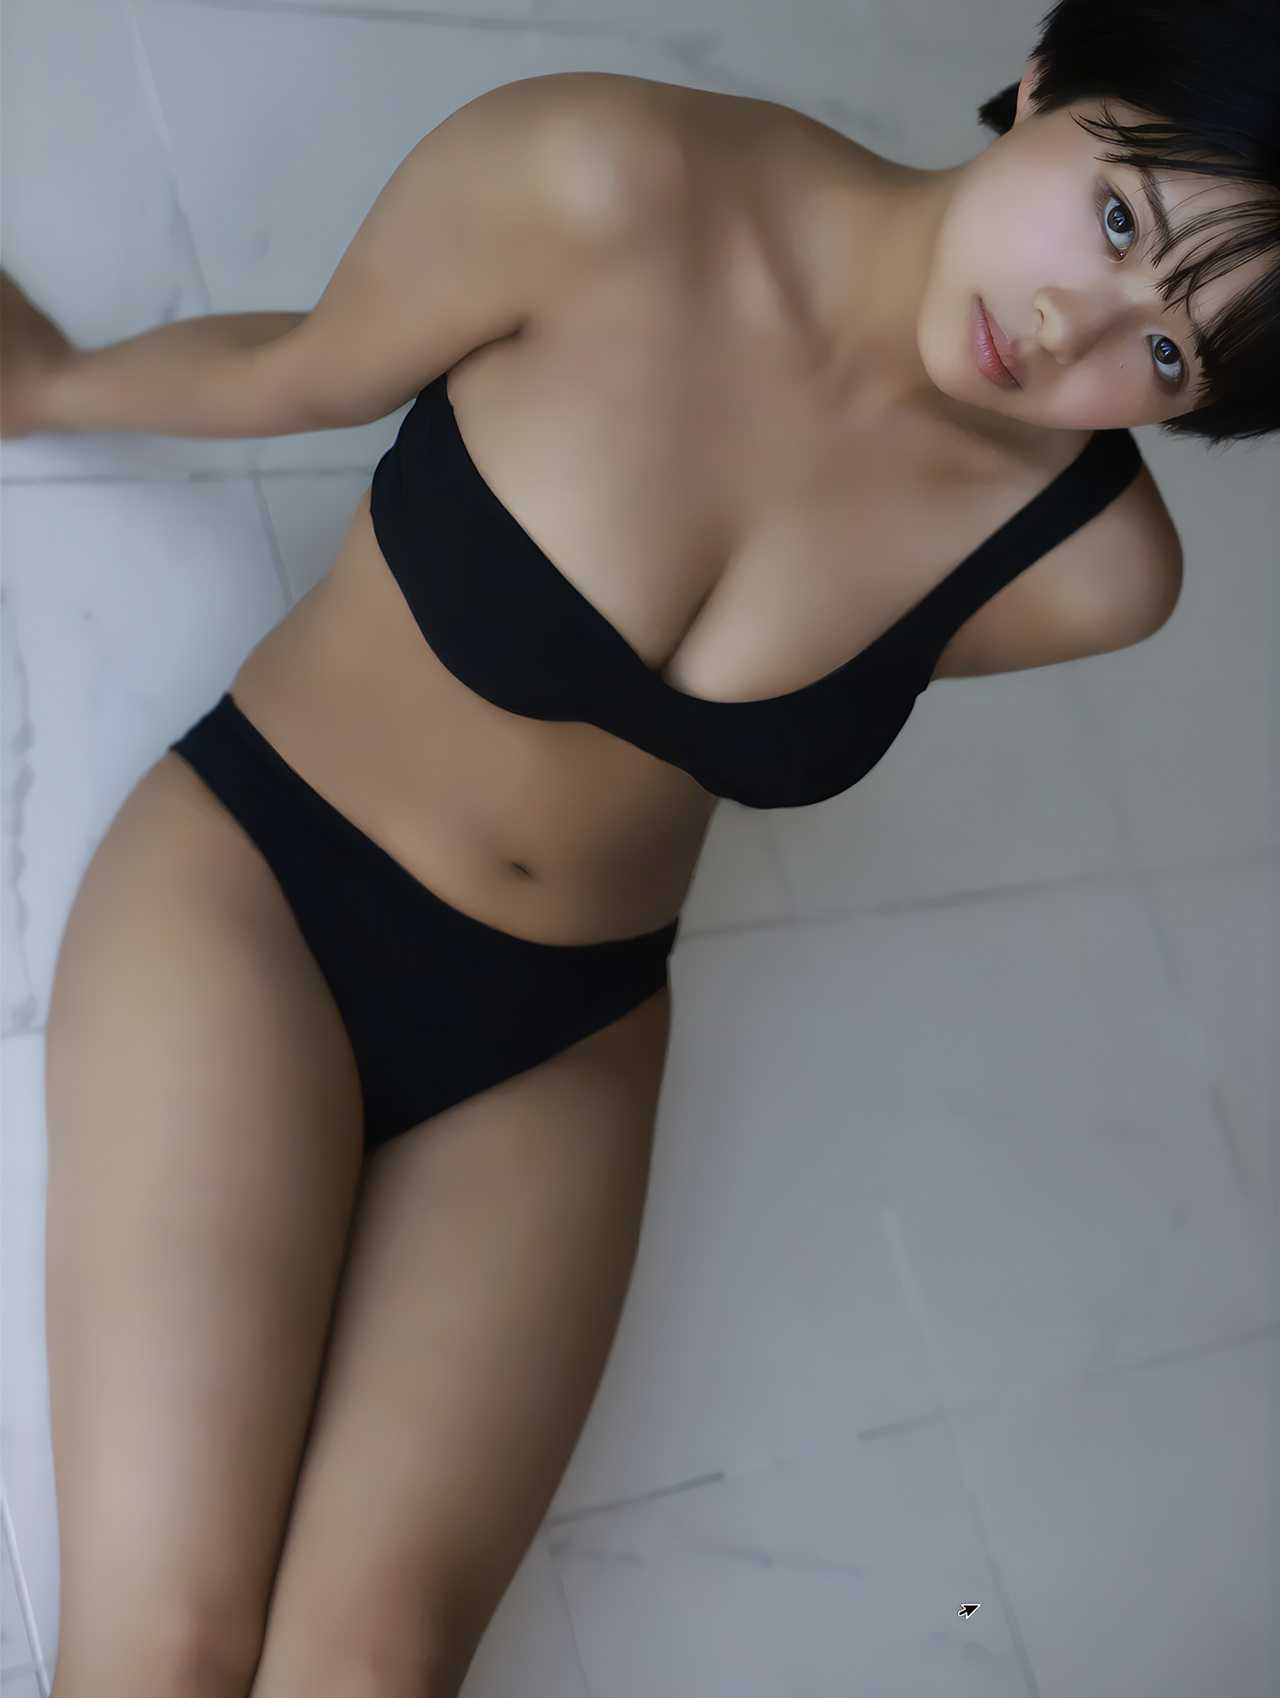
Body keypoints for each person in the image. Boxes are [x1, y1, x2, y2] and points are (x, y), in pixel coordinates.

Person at [8, 2, 1276, 1694]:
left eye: (1171, 355)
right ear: (1050, 74)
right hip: (265, 885)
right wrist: (52, 386)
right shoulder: (602, 180)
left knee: (369, 1673)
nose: (1071, 332)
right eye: (1119, 218)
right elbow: (296, 369)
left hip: (561, 1037)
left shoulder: (1094, 569)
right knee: (163, 1652)